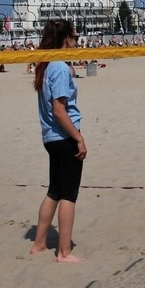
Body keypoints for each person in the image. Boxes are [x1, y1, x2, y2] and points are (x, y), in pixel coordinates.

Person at [30, 19, 87, 262]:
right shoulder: (60, 68)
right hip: (64, 136)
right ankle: (64, 252)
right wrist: (79, 138)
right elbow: (60, 111)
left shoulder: (46, 65)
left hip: (50, 137)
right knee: (68, 194)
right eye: (74, 37)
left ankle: (39, 244)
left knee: (54, 191)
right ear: (65, 39)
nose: (77, 42)